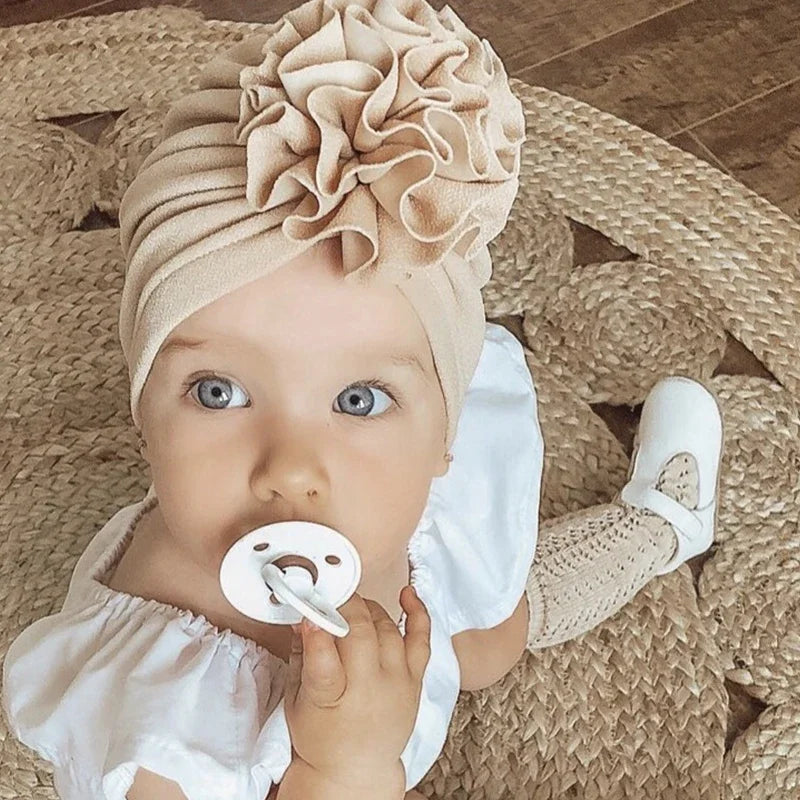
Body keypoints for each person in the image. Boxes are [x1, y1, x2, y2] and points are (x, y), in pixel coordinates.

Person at [0, 1, 723, 798]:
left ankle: (659, 526)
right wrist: (342, 764)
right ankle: (662, 524)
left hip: (407, 585)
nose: (292, 470)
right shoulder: (162, 724)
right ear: (145, 409)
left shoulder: (376, 496)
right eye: (218, 391)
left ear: (444, 432)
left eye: (359, 399)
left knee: (487, 641)